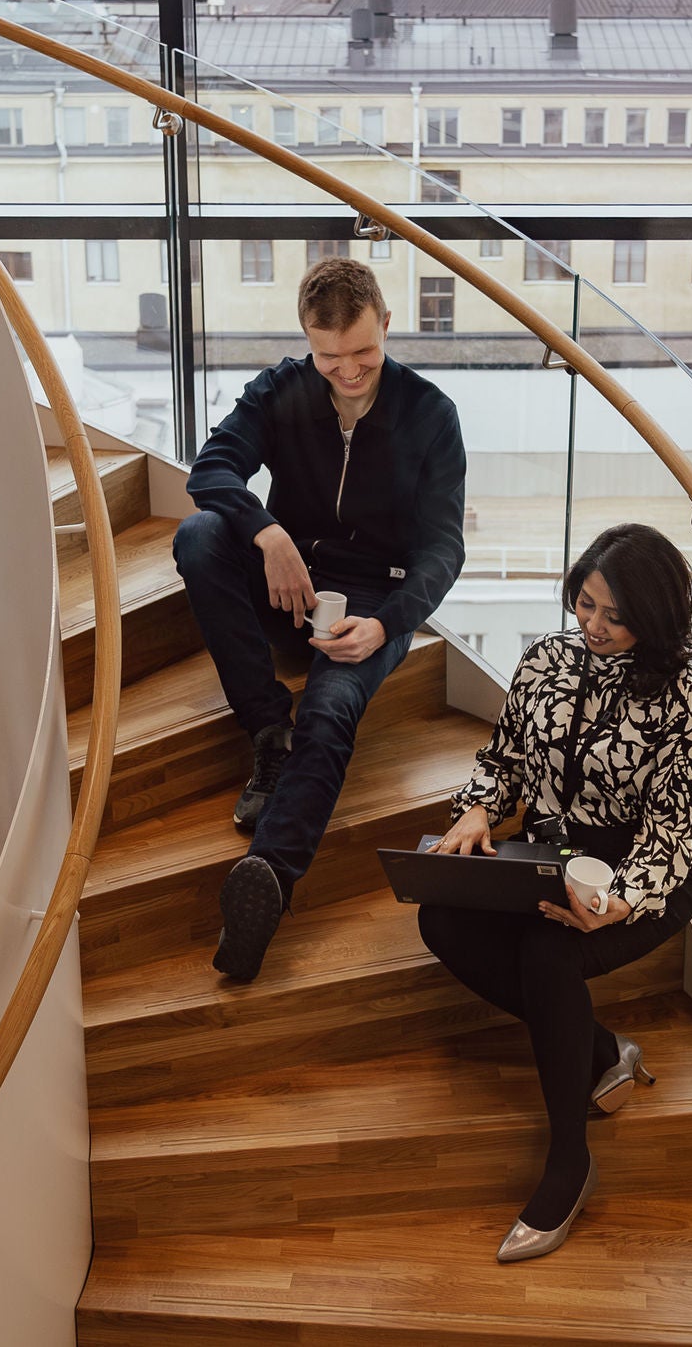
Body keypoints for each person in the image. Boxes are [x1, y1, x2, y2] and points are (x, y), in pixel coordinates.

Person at [418, 523, 692, 1263]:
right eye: (585, 603)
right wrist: (480, 808)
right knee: (440, 917)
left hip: (640, 874)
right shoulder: (545, 659)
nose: (594, 626)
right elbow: (504, 761)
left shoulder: (687, 701)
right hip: (548, 854)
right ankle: (602, 1049)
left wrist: (621, 899)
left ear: (654, 619)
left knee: (548, 957)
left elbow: (672, 833)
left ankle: (570, 1160)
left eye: (616, 616)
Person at [173, 258, 467, 982]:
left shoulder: (431, 414)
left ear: (386, 325)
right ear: (308, 339)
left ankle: (268, 878)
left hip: (372, 600)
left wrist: (390, 622)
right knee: (200, 536)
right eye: (329, 355)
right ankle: (269, 729)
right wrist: (268, 533)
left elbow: (443, 547)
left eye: (363, 352)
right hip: (290, 577)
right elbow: (210, 469)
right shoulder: (282, 388)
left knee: (333, 709)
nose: (348, 371)